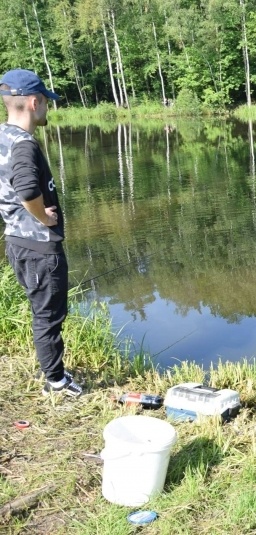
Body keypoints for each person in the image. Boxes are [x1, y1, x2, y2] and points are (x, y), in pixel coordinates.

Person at [0, 69, 82, 397]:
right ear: (34, 102)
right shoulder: (23, 145)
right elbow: (26, 188)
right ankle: (57, 382)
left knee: (44, 310)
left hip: (17, 243)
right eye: (46, 101)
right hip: (38, 247)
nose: (48, 106)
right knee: (48, 315)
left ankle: (54, 372)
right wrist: (43, 219)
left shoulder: (2, 136)